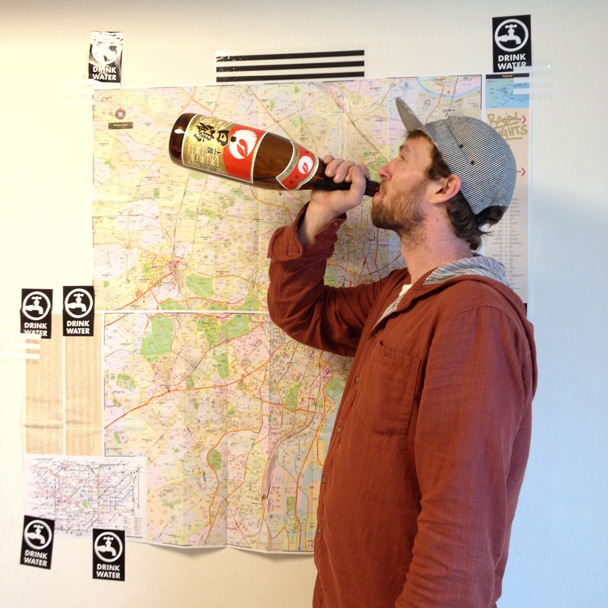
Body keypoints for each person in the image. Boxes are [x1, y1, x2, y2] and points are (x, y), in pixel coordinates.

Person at [267, 98, 537, 608]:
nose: (385, 169)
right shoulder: (401, 292)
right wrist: (321, 213)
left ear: (444, 187)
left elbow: (462, 523)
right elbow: (301, 313)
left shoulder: (475, 316)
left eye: (404, 157)